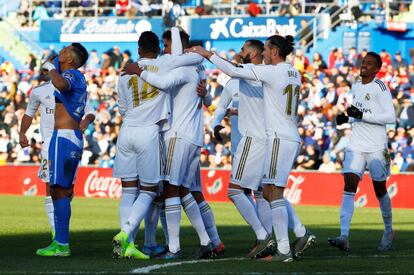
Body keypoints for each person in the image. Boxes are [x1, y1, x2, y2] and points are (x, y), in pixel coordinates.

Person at [190, 34, 310, 262]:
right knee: (268, 191)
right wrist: (238, 111)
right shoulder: (293, 73)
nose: (264, 53)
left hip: (277, 137)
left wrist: (208, 54)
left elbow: (236, 71)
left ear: (275, 52)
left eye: (266, 49)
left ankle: (282, 248)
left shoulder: (273, 71)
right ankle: (295, 236)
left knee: (272, 192)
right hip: (290, 136)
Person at [111, 31, 204, 260]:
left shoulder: (124, 74)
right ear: (159, 48)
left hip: (126, 132)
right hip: (150, 133)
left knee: (128, 191)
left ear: (139, 48)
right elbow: (196, 59)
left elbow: (122, 108)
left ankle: (130, 245)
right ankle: (128, 234)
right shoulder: (164, 64)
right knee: (150, 191)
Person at [132, 27, 215, 259]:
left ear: (176, 46)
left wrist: (138, 72)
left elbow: (163, 82)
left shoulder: (181, 68)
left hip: (178, 135)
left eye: (167, 45)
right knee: (184, 190)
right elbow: (206, 97)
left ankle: (174, 248)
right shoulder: (197, 68)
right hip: (193, 136)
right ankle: (207, 241)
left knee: (169, 188)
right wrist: (206, 93)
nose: (164, 51)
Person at [330, 52, 396, 252]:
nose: (364, 65)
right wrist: (346, 119)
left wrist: (361, 115)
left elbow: (390, 116)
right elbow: (356, 113)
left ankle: (388, 230)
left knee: (379, 189)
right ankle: (344, 235)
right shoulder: (356, 86)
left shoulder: (381, 87)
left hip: (376, 146)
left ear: (377, 69)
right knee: (349, 183)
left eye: (369, 63)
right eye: (363, 62)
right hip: (356, 143)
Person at [19, 80, 95, 242]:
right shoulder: (39, 90)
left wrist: (86, 121)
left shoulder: (75, 89)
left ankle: (60, 231)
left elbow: (90, 111)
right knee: (51, 188)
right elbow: (28, 113)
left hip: (70, 142)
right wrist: (22, 134)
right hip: (49, 144)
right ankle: (56, 233)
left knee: (67, 190)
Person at [35, 42, 89, 257]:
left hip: (63, 138)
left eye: (65, 51)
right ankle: (60, 241)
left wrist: (52, 67)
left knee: (58, 190)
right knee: (61, 190)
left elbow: (59, 82)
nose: (61, 51)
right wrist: (52, 64)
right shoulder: (74, 74)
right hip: (71, 137)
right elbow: (48, 70)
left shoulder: (71, 75)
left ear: (71, 60)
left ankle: (61, 244)